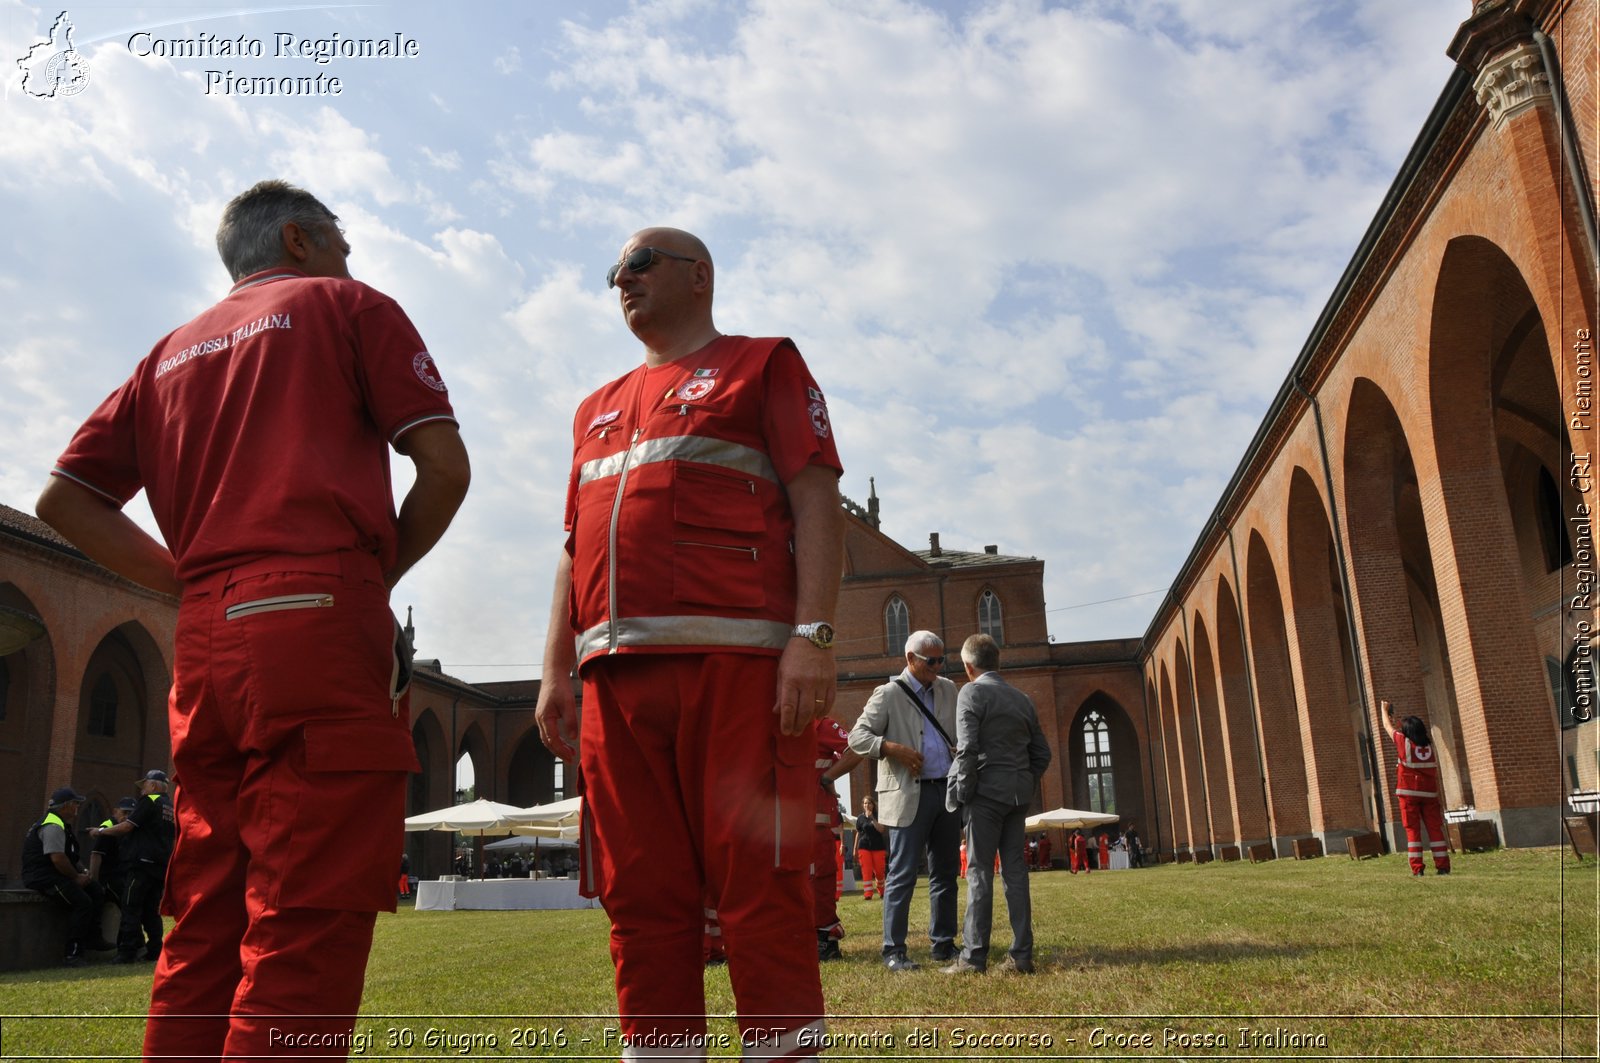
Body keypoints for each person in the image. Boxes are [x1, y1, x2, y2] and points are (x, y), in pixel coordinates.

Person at [37, 179, 470, 1059]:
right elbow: (445, 469)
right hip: (316, 613)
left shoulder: (167, 352)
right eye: (343, 243)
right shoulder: (348, 306)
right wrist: (365, 576)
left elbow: (64, 501)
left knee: (206, 907)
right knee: (306, 911)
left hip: (206, 633)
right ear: (303, 241)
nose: (352, 260)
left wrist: (191, 581)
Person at [535, 227, 844, 1056]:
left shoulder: (764, 363)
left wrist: (812, 636)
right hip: (613, 679)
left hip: (737, 666)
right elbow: (574, 543)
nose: (619, 281)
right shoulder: (594, 407)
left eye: (636, 265)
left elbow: (816, 498)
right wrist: (554, 667)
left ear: (698, 275)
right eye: (612, 272)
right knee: (639, 893)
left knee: (762, 885)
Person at [848, 630, 961, 972]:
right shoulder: (887, 694)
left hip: (945, 791)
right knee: (901, 874)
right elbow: (857, 737)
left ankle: (943, 945)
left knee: (945, 872)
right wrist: (890, 748)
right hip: (907, 793)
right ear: (910, 659)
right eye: (931, 661)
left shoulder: (948, 689)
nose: (938, 666)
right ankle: (894, 951)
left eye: (942, 659)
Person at [942, 634, 1051, 976]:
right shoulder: (1023, 699)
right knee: (1015, 873)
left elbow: (968, 749)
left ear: (968, 666)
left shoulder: (971, 692)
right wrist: (1023, 780)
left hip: (985, 796)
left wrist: (964, 793)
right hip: (1018, 795)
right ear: (998, 662)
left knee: (979, 873)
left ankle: (974, 958)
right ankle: (1022, 956)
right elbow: (1042, 754)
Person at [91, 769, 175, 963]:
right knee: (151, 909)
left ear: (153, 786)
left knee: (131, 906)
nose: (142, 790)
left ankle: (127, 952)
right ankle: (155, 949)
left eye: (144, 785)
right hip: (160, 865)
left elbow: (128, 826)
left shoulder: (149, 801)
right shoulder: (169, 806)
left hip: (141, 864)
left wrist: (101, 831)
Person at [22, 786, 110, 966]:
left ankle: (94, 937)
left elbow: (70, 856)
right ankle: (73, 953)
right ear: (65, 806)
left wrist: (83, 872)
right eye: (75, 804)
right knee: (82, 903)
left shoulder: (61, 824)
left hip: (57, 874)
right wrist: (76, 878)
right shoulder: (52, 825)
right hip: (44, 877)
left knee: (96, 891)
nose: (77, 807)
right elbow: (58, 858)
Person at [1383, 699, 1451, 876]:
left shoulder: (1403, 742)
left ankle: (1417, 868)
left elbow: (1388, 728)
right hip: (1429, 793)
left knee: (1413, 832)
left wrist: (1383, 710)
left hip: (1408, 793)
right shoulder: (1428, 746)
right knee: (1435, 829)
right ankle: (1443, 866)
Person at [816, 717, 865, 960]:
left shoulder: (821, 726)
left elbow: (856, 749)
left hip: (816, 825)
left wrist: (827, 778)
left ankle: (825, 939)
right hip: (785, 824)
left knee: (820, 881)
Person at [89, 797, 137, 911]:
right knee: (126, 905)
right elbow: (96, 855)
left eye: (131, 813)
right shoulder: (107, 828)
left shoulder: (128, 829)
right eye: (125, 812)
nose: (127, 816)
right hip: (109, 878)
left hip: (122, 876)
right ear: (115, 811)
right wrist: (95, 883)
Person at [854, 794, 888, 900]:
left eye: (869, 803)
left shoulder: (878, 816)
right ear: (862, 805)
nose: (867, 805)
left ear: (873, 805)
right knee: (866, 870)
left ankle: (881, 890)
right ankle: (868, 894)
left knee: (879, 871)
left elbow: (881, 830)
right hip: (864, 846)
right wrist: (855, 849)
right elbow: (858, 833)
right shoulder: (860, 818)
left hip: (878, 847)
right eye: (865, 803)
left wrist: (872, 818)